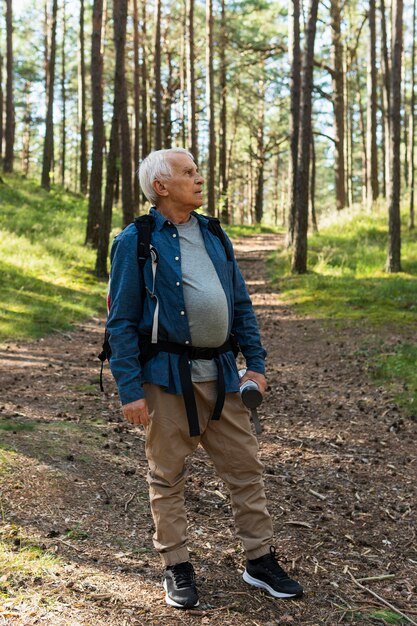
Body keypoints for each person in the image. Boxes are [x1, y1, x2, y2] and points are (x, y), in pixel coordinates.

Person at [106, 148, 303, 609]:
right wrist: (130, 390)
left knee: (245, 469)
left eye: (197, 171)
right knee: (168, 476)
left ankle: (259, 560)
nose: (198, 178)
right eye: (188, 172)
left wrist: (255, 363)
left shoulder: (214, 232)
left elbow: (241, 303)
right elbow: (119, 323)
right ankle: (176, 565)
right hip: (166, 379)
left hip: (223, 375)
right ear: (161, 185)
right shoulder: (135, 241)